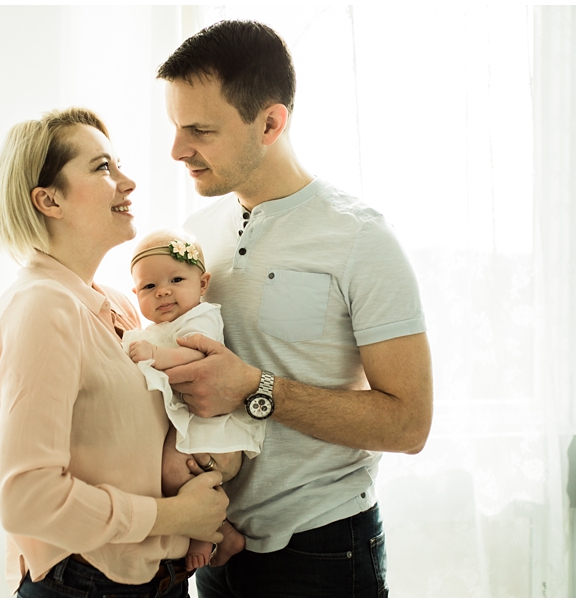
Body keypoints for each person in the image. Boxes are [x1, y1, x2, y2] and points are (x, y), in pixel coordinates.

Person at [156, 20, 434, 597]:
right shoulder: (194, 236)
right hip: (215, 546)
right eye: (176, 127)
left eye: (199, 130)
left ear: (271, 122)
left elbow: (410, 424)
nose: (178, 150)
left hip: (323, 550)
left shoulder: (360, 239)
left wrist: (255, 388)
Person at [0, 107, 229, 598]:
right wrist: (174, 515)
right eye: (102, 168)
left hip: (156, 578)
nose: (128, 182)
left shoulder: (114, 305)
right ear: (48, 200)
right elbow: (25, 498)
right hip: (89, 584)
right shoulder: (43, 308)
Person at [123, 228, 259, 571]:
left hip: (210, 424)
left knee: (172, 472)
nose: (163, 291)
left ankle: (208, 530)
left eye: (176, 279)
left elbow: (201, 360)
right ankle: (223, 531)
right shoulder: (154, 330)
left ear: (202, 283)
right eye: (149, 287)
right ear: (135, 294)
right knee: (164, 475)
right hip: (190, 421)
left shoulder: (201, 317)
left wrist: (156, 354)